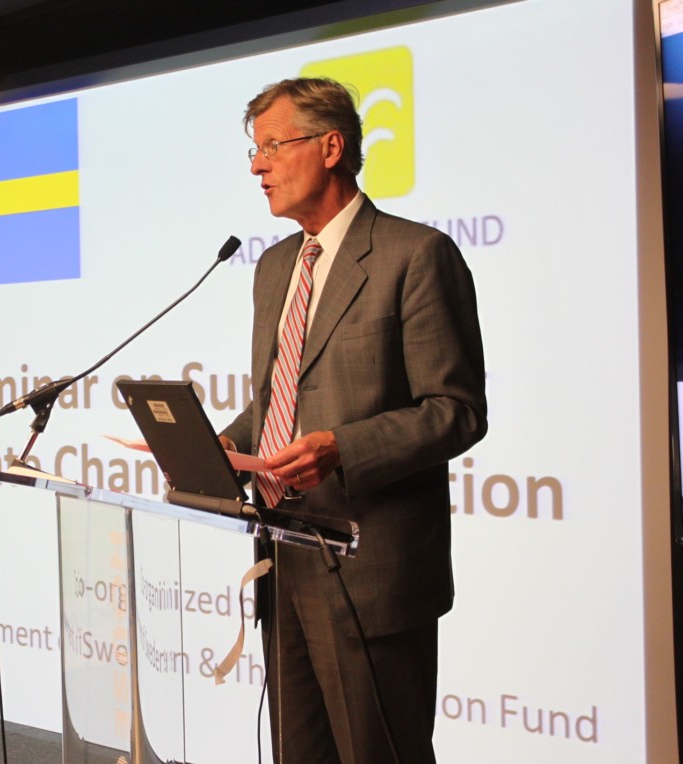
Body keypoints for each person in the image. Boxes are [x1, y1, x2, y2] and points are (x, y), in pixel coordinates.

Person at [219, 77, 487, 763]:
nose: (258, 165)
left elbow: (454, 412)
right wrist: (223, 444)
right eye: (254, 150)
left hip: (372, 568)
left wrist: (344, 448)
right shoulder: (276, 265)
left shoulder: (415, 256)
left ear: (331, 146)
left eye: (274, 146)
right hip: (284, 556)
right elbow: (282, 397)